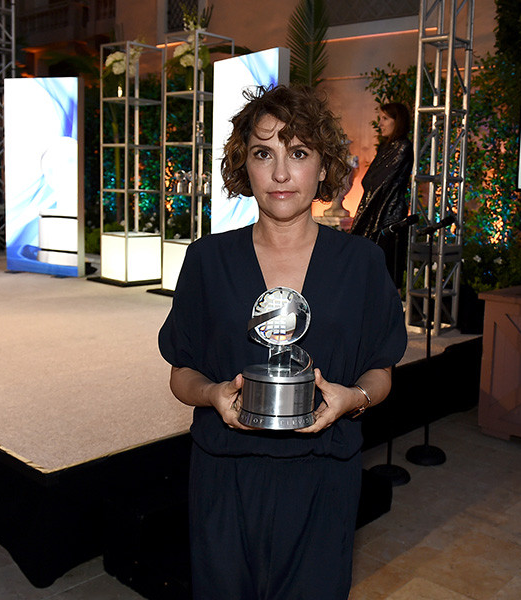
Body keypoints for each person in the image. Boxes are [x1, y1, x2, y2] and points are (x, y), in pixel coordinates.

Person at [158, 85, 407, 599]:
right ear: (243, 166)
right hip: (224, 474)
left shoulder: (360, 264)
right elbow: (181, 372)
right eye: (262, 153)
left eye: (298, 153)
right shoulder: (208, 260)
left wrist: (353, 399)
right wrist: (212, 395)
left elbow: (381, 368)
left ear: (322, 166)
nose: (279, 173)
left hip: (324, 475)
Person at [349, 102, 414, 287]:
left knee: (385, 273)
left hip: (389, 217)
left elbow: (379, 183)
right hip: (377, 212)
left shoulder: (402, 147)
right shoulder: (387, 148)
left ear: (397, 121)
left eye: (385, 118)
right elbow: (370, 181)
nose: (381, 123)